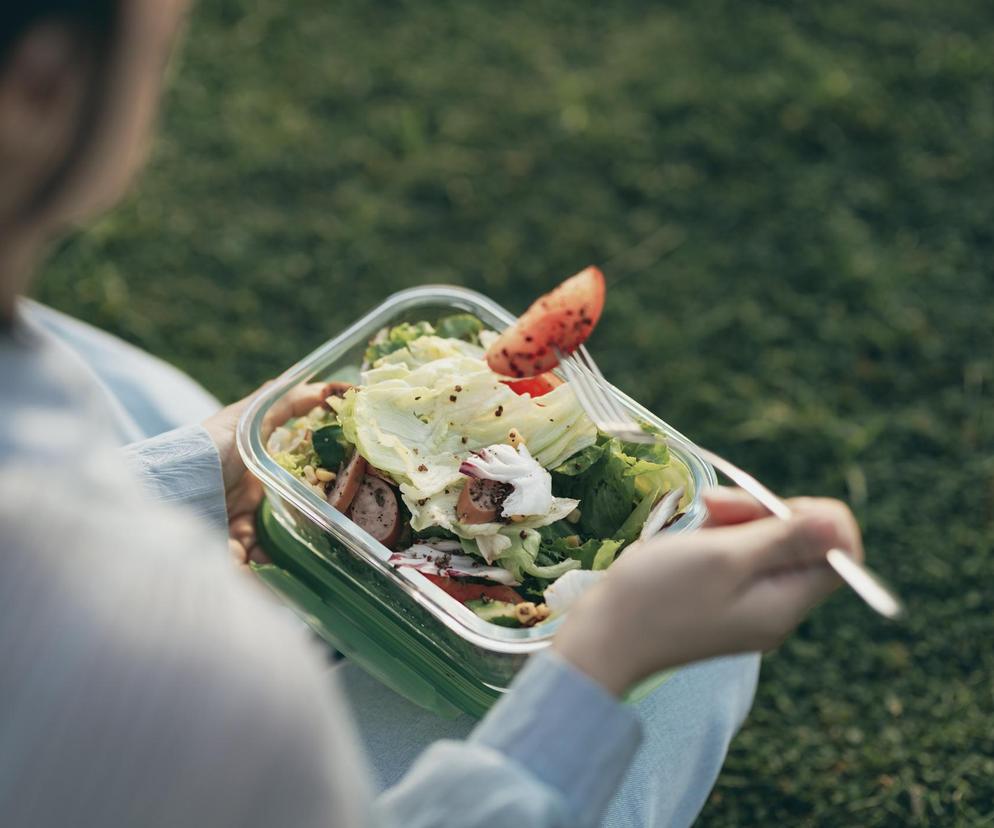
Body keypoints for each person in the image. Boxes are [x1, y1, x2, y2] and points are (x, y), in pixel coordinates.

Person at [0, 3, 865, 827]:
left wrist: (191, 469)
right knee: (697, 668)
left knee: (163, 402)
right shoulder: (223, 684)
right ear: (46, 83)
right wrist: (599, 667)